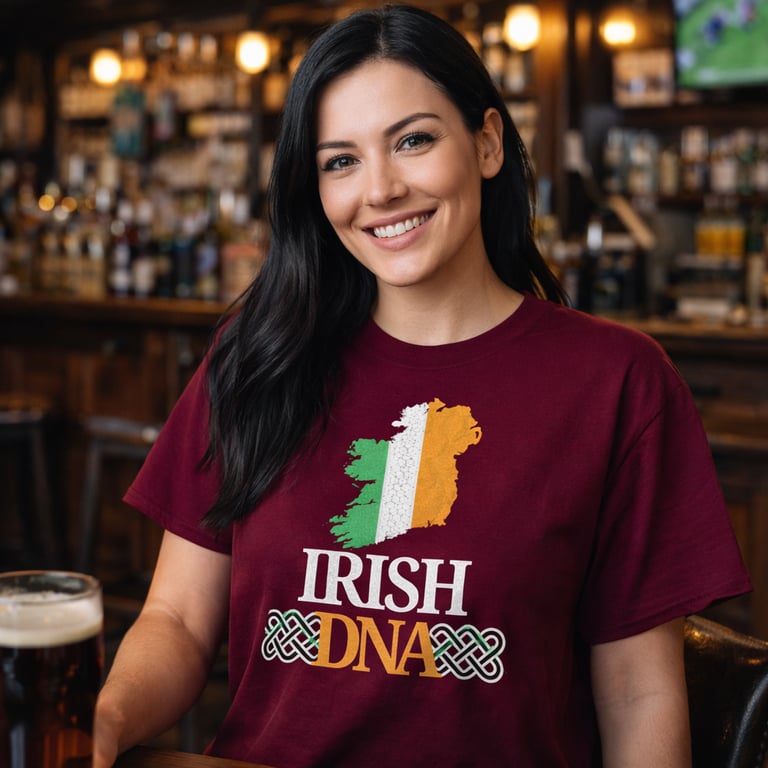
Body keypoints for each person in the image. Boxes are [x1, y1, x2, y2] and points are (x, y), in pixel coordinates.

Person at [93, 5, 751, 767]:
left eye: (413, 141)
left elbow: (640, 693)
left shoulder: (616, 381)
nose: (380, 190)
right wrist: (102, 722)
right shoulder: (257, 358)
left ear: (488, 143)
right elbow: (176, 621)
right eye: (341, 161)